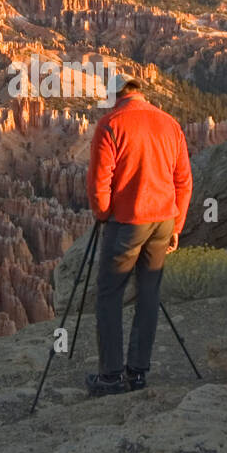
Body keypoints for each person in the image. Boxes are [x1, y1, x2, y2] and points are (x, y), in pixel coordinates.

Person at [85, 74, 192, 396]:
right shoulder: (170, 123)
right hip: (163, 221)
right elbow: (184, 181)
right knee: (149, 294)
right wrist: (177, 225)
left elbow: (98, 182)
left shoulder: (110, 124)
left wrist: (103, 214)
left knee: (109, 294)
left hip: (129, 221)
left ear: (117, 96)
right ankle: (139, 372)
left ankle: (111, 375)